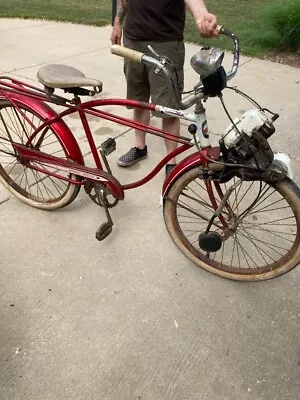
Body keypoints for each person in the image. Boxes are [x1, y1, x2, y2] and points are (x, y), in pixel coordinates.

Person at [111, 0, 217, 177]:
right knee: (138, 99)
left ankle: (171, 162)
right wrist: (117, 23)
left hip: (166, 43)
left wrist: (201, 15)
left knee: (169, 107)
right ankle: (139, 147)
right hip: (133, 40)